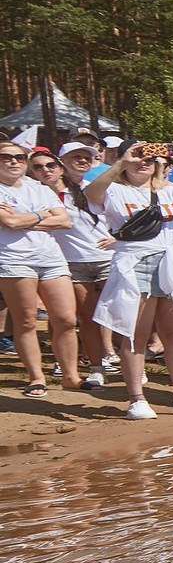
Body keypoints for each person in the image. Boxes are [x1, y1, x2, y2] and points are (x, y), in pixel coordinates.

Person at [91, 140, 173, 418]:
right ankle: (136, 398)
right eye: (137, 157)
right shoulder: (116, 190)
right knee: (136, 336)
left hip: (172, 263)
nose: (143, 162)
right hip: (135, 264)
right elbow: (92, 192)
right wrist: (123, 162)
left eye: (149, 158)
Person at [0, 137, 81, 397]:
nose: (14, 161)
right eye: (6, 157)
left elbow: (65, 221)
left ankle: (71, 376)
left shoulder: (39, 188)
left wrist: (23, 219)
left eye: (19, 157)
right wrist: (43, 215)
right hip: (13, 259)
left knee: (67, 319)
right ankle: (36, 377)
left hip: (50, 258)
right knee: (26, 321)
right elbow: (9, 224)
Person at [46, 139, 110, 385]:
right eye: (76, 157)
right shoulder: (49, 193)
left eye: (87, 157)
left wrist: (118, 238)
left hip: (108, 259)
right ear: (62, 163)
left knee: (122, 315)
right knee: (87, 318)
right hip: (73, 262)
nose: (83, 161)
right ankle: (96, 368)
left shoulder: (100, 187)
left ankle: (128, 365)